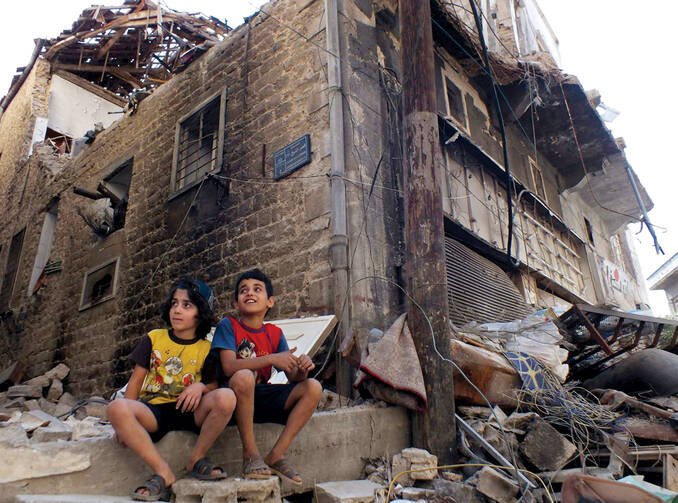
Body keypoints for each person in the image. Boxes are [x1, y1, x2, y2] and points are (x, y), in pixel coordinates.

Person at [107, 278, 236, 502]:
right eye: (174, 303)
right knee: (117, 408)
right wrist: (124, 424)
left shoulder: (208, 348)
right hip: (153, 411)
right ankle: (163, 473)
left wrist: (200, 387)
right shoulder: (154, 338)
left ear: (201, 313)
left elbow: (214, 385)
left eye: (187, 305)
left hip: (190, 410)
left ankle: (196, 459)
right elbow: (136, 381)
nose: (177, 310)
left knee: (226, 397)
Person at [211, 269, 322, 485]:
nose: (249, 293)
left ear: (270, 301)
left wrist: (302, 367)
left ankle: (276, 455)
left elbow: (294, 378)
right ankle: (251, 455)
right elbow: (228, 367)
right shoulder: (228, 326)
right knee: (244, 376)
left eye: (257, 289)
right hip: (233, 400)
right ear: (236, 303)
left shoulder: (274, 333)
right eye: (244, 290)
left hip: (261, 397)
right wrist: (271, 359)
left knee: (313, 387)